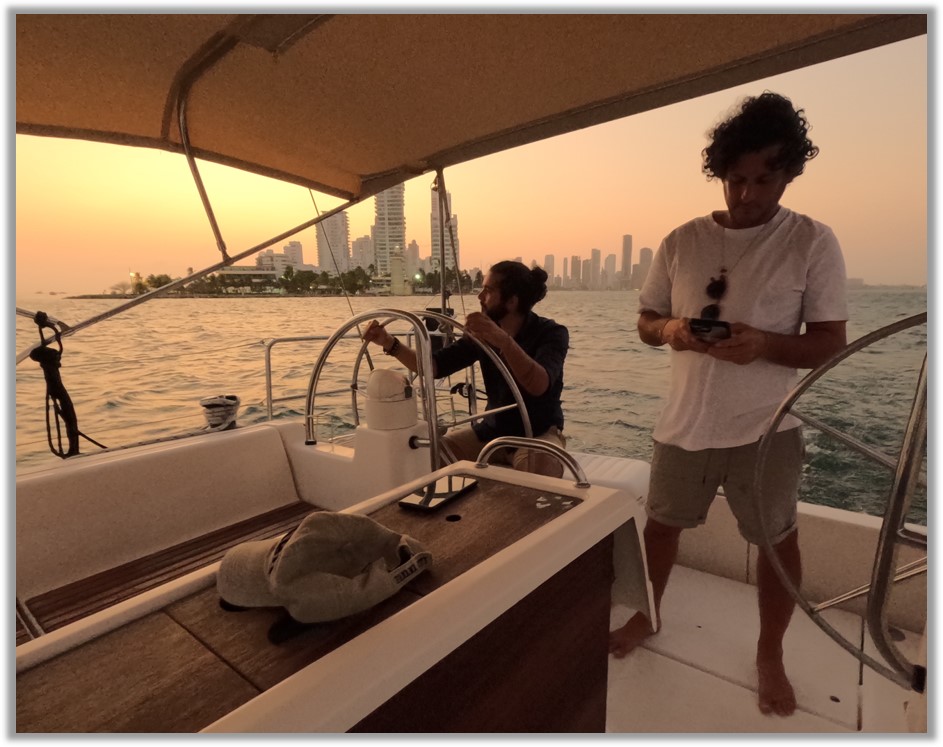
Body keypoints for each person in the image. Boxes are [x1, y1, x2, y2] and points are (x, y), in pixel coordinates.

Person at [608, 92, 848, 717]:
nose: (747, 194)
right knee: (660, 527)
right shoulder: (680, 240)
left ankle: (771, 652)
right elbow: (645, 320)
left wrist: (764, 344)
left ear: (789, 172)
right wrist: (673, 331)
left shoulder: (812, 242)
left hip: (766, 429)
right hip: (683, 422)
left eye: (764, 178)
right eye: (735, 179)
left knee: (775, 542)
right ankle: (649, 616)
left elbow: (830, 343)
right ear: (720, 174)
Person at [363, 260, 569, 476]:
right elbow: (434, 367)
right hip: (491, 432)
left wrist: (504, 341)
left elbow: (539, 385)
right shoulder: (482, 336)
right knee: (426, 457)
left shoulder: (552, 333)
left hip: (537, 434)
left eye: (488, 291)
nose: (480, 297)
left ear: (511, 301)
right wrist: (389, 343)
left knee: (543, 471)